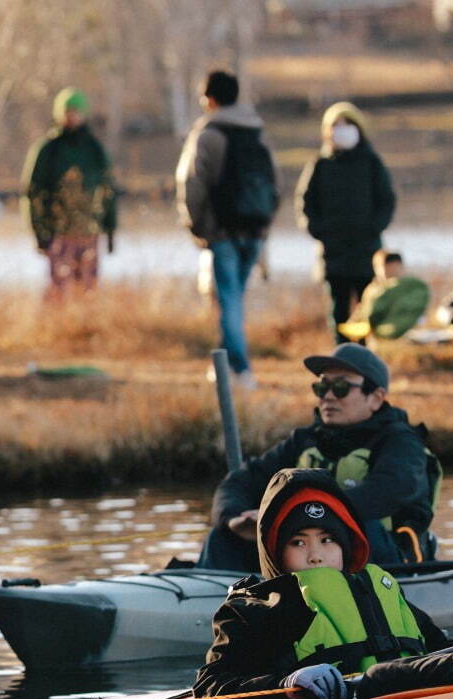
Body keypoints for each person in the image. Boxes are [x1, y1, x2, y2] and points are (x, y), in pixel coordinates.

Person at [193, 467, 453, 699]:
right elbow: (210, 689)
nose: (315, 555)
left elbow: (439, 650)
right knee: (381, 677)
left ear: (346, 544)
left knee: (445, 657)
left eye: (326, 540)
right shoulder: (257, 608)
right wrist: (287, 686)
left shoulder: (378, 590)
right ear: (276, 551)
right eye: (298, 542)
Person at [197, 343, 439, 572]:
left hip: (387, 560)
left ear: (375, 398)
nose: (328, 396)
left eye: (341, 388)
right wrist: (236, 521)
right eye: (322, 387)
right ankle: (216, 603)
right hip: (310, 552)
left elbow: (384, 493)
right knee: (222, 536)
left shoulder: (402, 443)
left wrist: (287, 515)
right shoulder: (305, 440)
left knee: (364, 527)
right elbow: (239, 482)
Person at [175, 70, 280, 390]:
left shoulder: (208, 135)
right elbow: (276, 184)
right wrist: (264, 225)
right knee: (232, 300)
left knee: (228, 300)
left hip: (221, 232)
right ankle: (224, 366)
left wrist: (196, 226)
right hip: (254, 230)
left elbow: (191, 183)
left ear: (211, 99)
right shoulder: (257, 132)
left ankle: (241, 369)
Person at [296, 102, 397, 344]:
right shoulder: (321, 164)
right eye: (335, 126)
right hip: (333, 251)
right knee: (339, 309)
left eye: (347, 124)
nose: (341, 130)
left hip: (366, 248)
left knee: (367, 306)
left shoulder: (371, 162)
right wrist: (319, 231)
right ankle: (341, 357)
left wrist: (373, 227)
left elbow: (387, 200)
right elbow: (305, 202)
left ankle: (363, 357)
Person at [22, 87, 117, 299]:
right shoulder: (48, 150)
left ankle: (86, 329)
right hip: (59, 232)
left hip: (89, 231)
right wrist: (39, 233)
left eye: (76, 111)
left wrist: (110, 229)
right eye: (67, 111)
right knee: (60, 290)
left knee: (88, 289)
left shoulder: (94, 149)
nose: (72, 116)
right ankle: (60, 329)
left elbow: (108, 189)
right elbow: (33, 192)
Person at [338, 250, 430, 343]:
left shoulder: (414, 287)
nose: (391, 273)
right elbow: (363, 311)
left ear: (401, 267)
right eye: (386, 269)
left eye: (394, 268)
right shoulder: (373, 289)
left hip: (404, 336)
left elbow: (407, 315)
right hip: (373, 338)